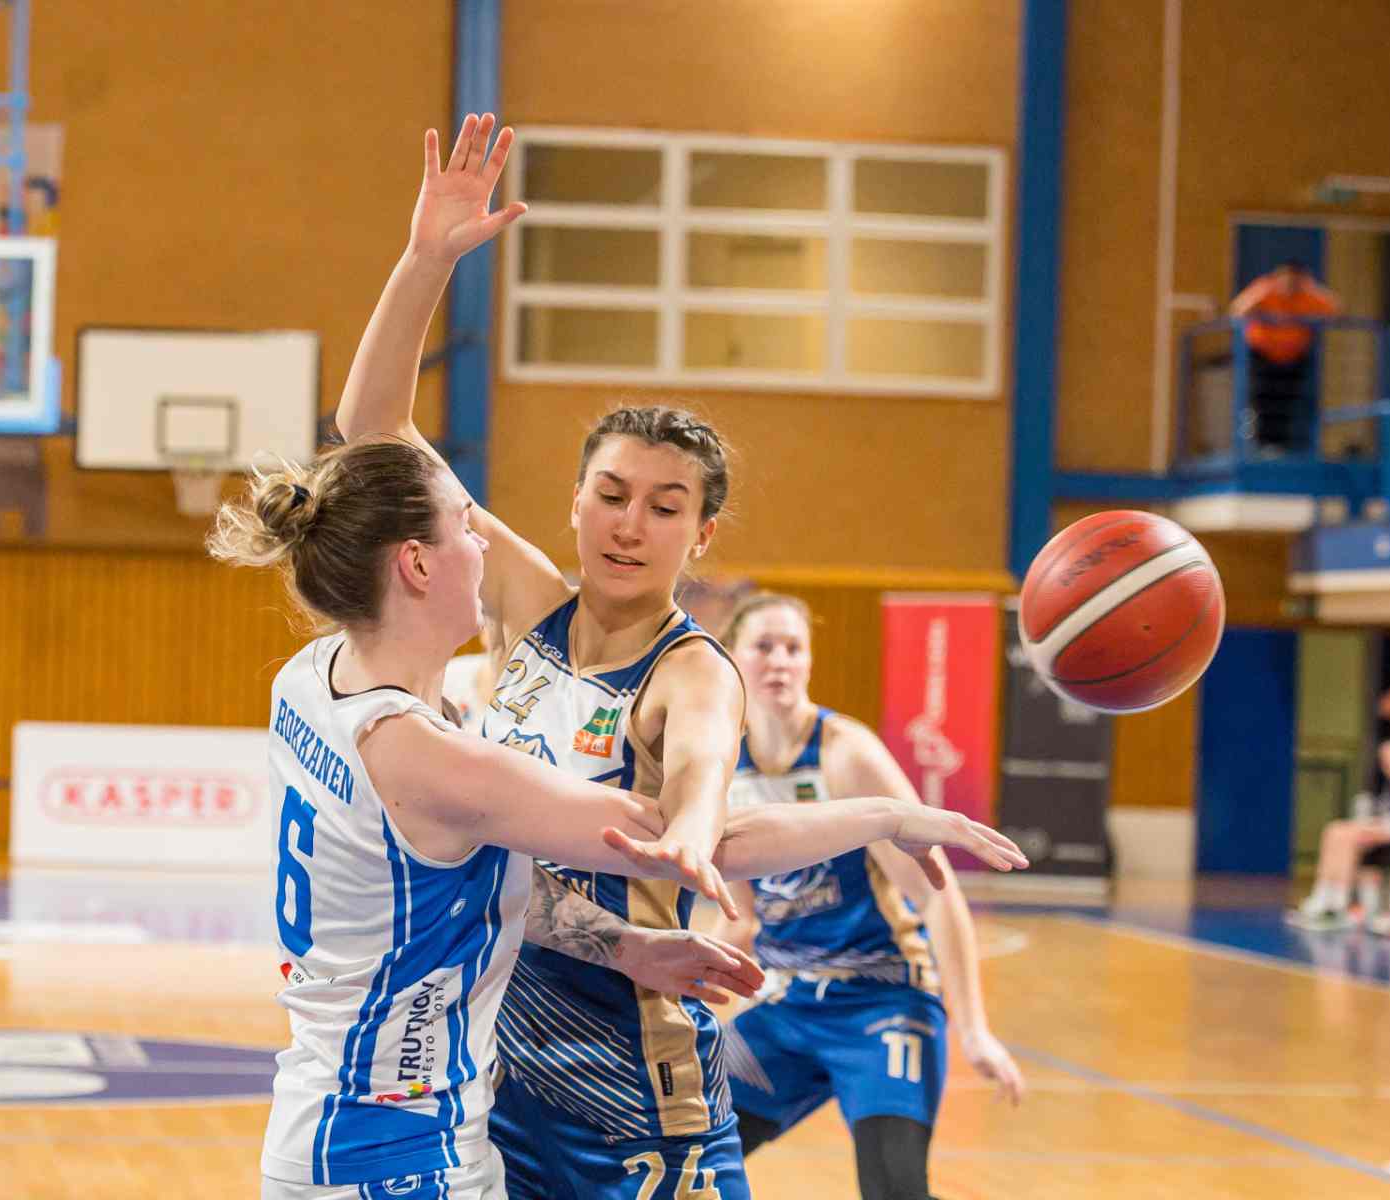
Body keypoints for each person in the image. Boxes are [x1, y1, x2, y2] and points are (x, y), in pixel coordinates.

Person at [331, 112, 1029, 1200]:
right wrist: (427, 259)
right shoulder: (525, 603)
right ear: (574, 502)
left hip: (630, 1095)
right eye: (611, 495)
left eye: (665, 508)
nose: (630, 525)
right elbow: (371, 427)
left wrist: (696, 835)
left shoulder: (694, 671)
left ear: (701, 537)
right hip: (493, 1068)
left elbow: (702, 785)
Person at [711, 593, 1026, 1200]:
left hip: (881, 1001)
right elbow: (742, 917)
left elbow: (937, 896)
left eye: (793, 647)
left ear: (810, 661)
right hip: (790, 1005)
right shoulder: (724, 764)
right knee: (685, 1152)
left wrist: (974, 1029)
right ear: (732, 657)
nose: (780, 660)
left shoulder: (846, 754)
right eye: (764, 646)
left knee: (894, 1190)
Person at [1288, 740, 1390, 932]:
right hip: (1385, 830)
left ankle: (1338, 905)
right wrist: (1375, 825)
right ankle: (1324, 896)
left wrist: (1387, 831)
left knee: (1349, 836)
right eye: (1386, 762)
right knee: (1335, 831)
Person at [1227, 260, 1342, 454]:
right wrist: (1263, 298)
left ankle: (1279, 445)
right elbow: (1238, 310)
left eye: (1295, 280)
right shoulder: (1265, 290)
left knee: (1286, 400)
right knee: (1261, 398)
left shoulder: (1308, 295)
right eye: (1286, 279)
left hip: (1293, 357)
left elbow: (1335, 310)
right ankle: (1258, 444)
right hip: (1262, 355)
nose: (1290, 284)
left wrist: (1312, 289)